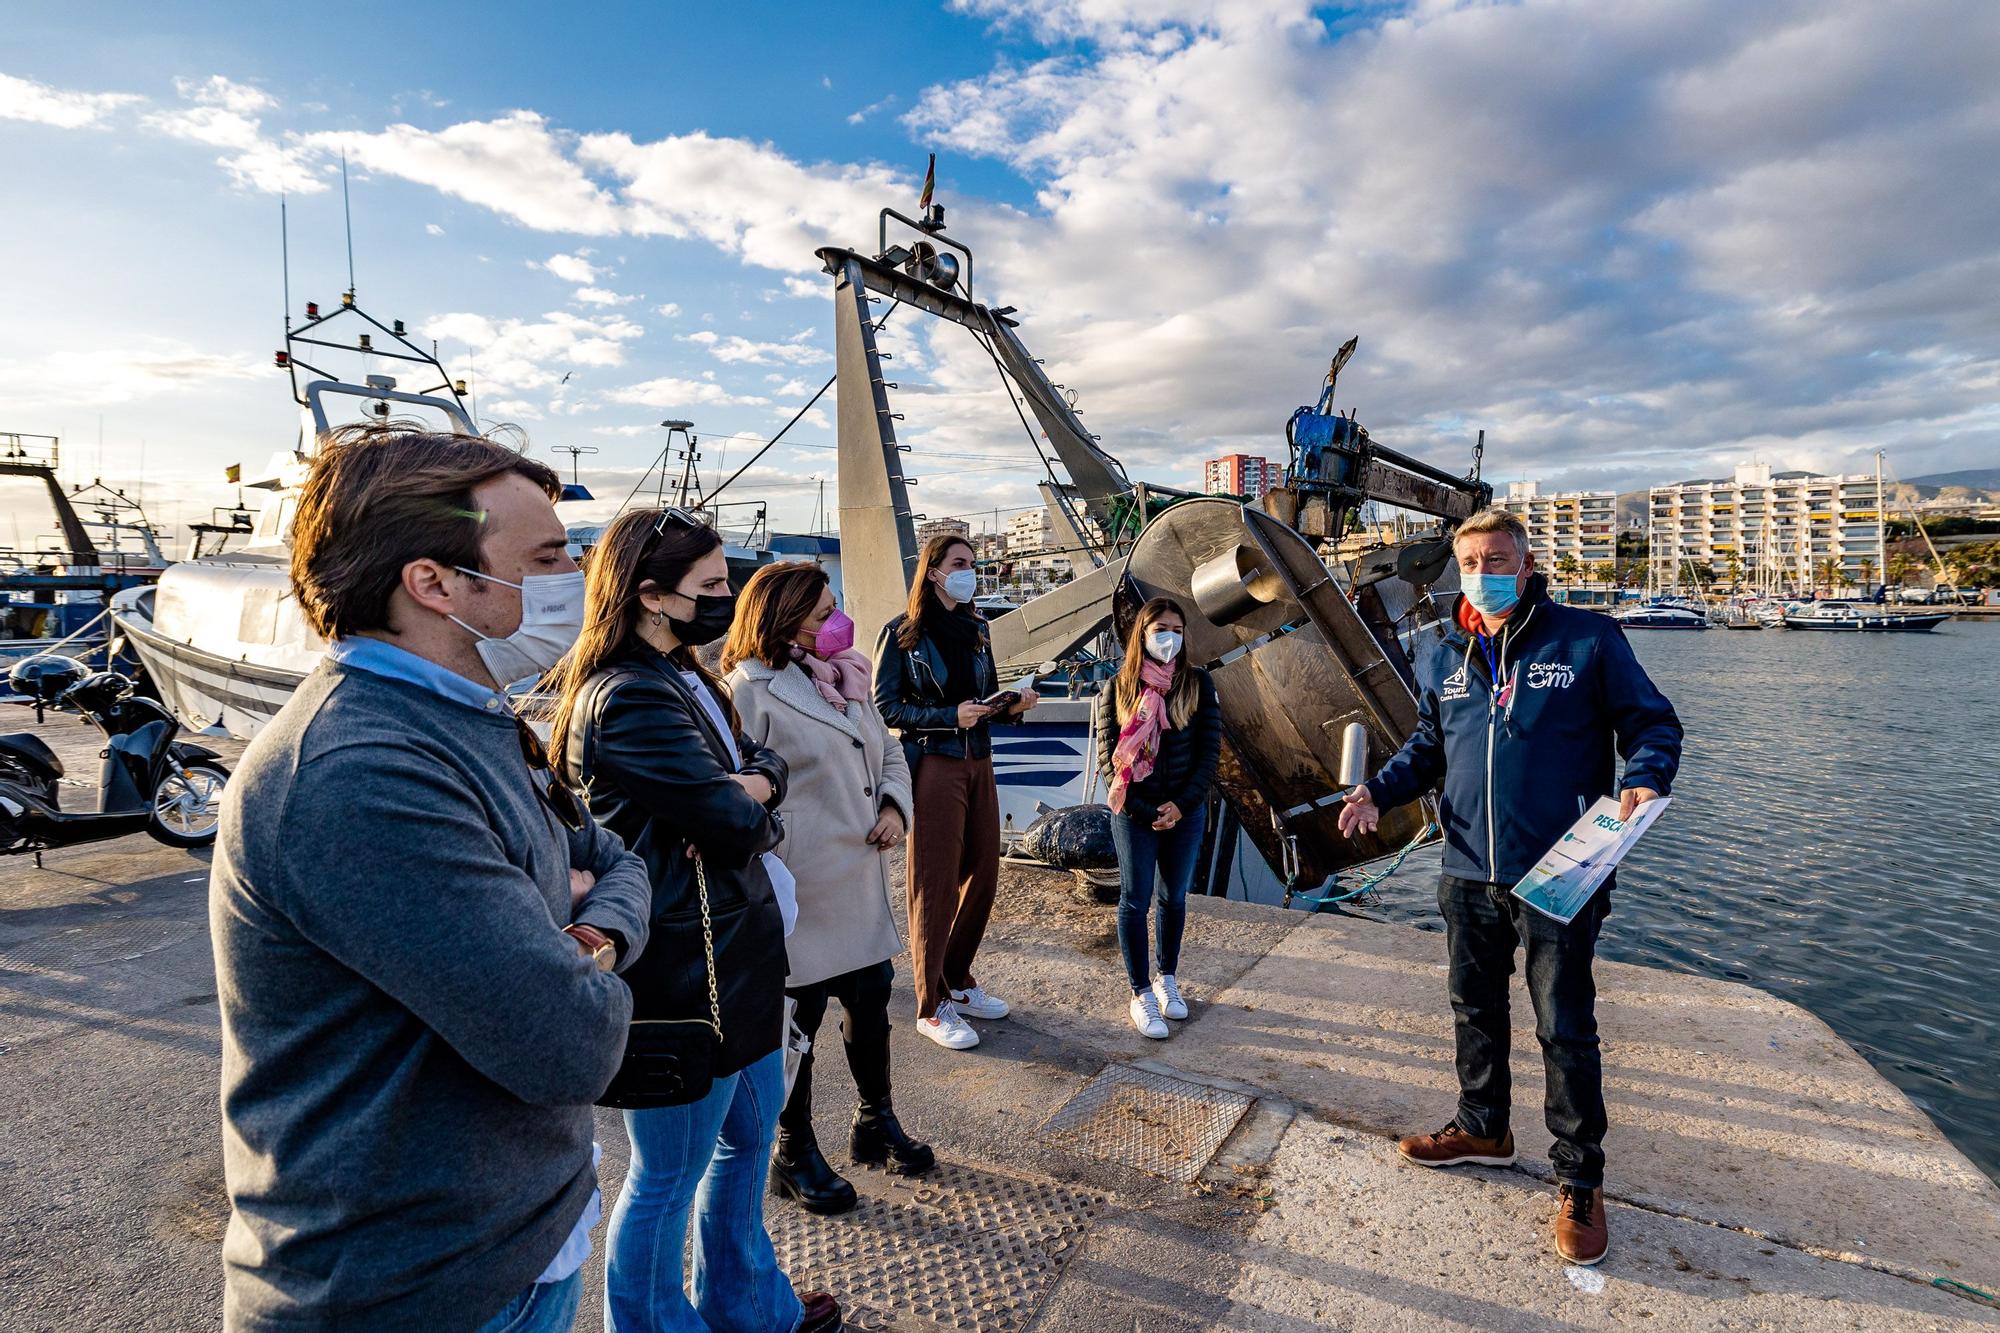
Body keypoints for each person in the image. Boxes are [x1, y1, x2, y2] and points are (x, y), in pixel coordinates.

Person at [210, 424, 652, 1332]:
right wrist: (569, 958)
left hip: (512, 1249)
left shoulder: (467, 717)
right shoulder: (359, 766)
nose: (575, 577)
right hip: (407, 1292)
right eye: (549, 556)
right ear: (435, 582)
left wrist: (588, 937)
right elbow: (567, 1041)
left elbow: (614, 860)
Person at [1337, 506, 1682, 1267]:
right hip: (1466, 866)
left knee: (1564, 1024)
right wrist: (1376, 793)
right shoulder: (1444, 653)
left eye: (1497, 560)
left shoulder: (1587, 640)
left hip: (1559, 868)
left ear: (1526, 566)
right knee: (1473, 1005)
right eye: (1470, 562)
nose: (1483, 574)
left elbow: (1653, 724)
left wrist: (1646, 777)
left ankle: (1580, 1180)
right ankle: (1483, 1126)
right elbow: (1430, 746)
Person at [546, 509, 839, 1333]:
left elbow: (755, 769)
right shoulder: (630, 697)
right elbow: (737, 817)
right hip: (681, 974)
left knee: (745, 1147)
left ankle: (748, 1307)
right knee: (666, 1176)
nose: (727, 596)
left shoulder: (684, 677)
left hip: (734, 960)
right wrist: (754, 789)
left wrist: (754, 780)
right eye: (710, 585)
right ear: (649, 595)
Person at [722, 562, 934, 1216]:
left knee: (871, 999)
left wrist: (896, 806)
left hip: (859, 879)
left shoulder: (846, 677)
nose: (833, 623)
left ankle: (876, 1119)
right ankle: (793, 1149)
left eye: (833, 609)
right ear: (782, 617)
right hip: (802, 886)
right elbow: (736, 791)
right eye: (820, 614)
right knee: (799, 1019)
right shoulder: (746, 691)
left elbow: (888, 751)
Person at [872, 533, 1038, 1051]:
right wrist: (948, 717)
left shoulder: (978, 628)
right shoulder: (902, 633)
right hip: (937, 765)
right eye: (961, 563)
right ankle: (930, 1004)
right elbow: (886, 709)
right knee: (935, 882)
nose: (970, 571)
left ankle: (958, 980)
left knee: (984, 874)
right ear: (935, 571)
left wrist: (1009, 705)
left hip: (979, 760)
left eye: (973, 562)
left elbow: (980, 695)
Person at [1094, 596, 1221, 1040]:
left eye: (1177, 630)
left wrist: (1181, 806)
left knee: (1175, 897)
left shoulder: (1198, 685)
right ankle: (1140, 992)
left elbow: (1209, 755)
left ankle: (1168, 978)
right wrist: (1148, 811)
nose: (1170, 638)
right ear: (1142, 635)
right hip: (1134, 812)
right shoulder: (1117, 688)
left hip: (1184, 812)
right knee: (1135, 898)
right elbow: (1109, 762)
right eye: (1160, 629)